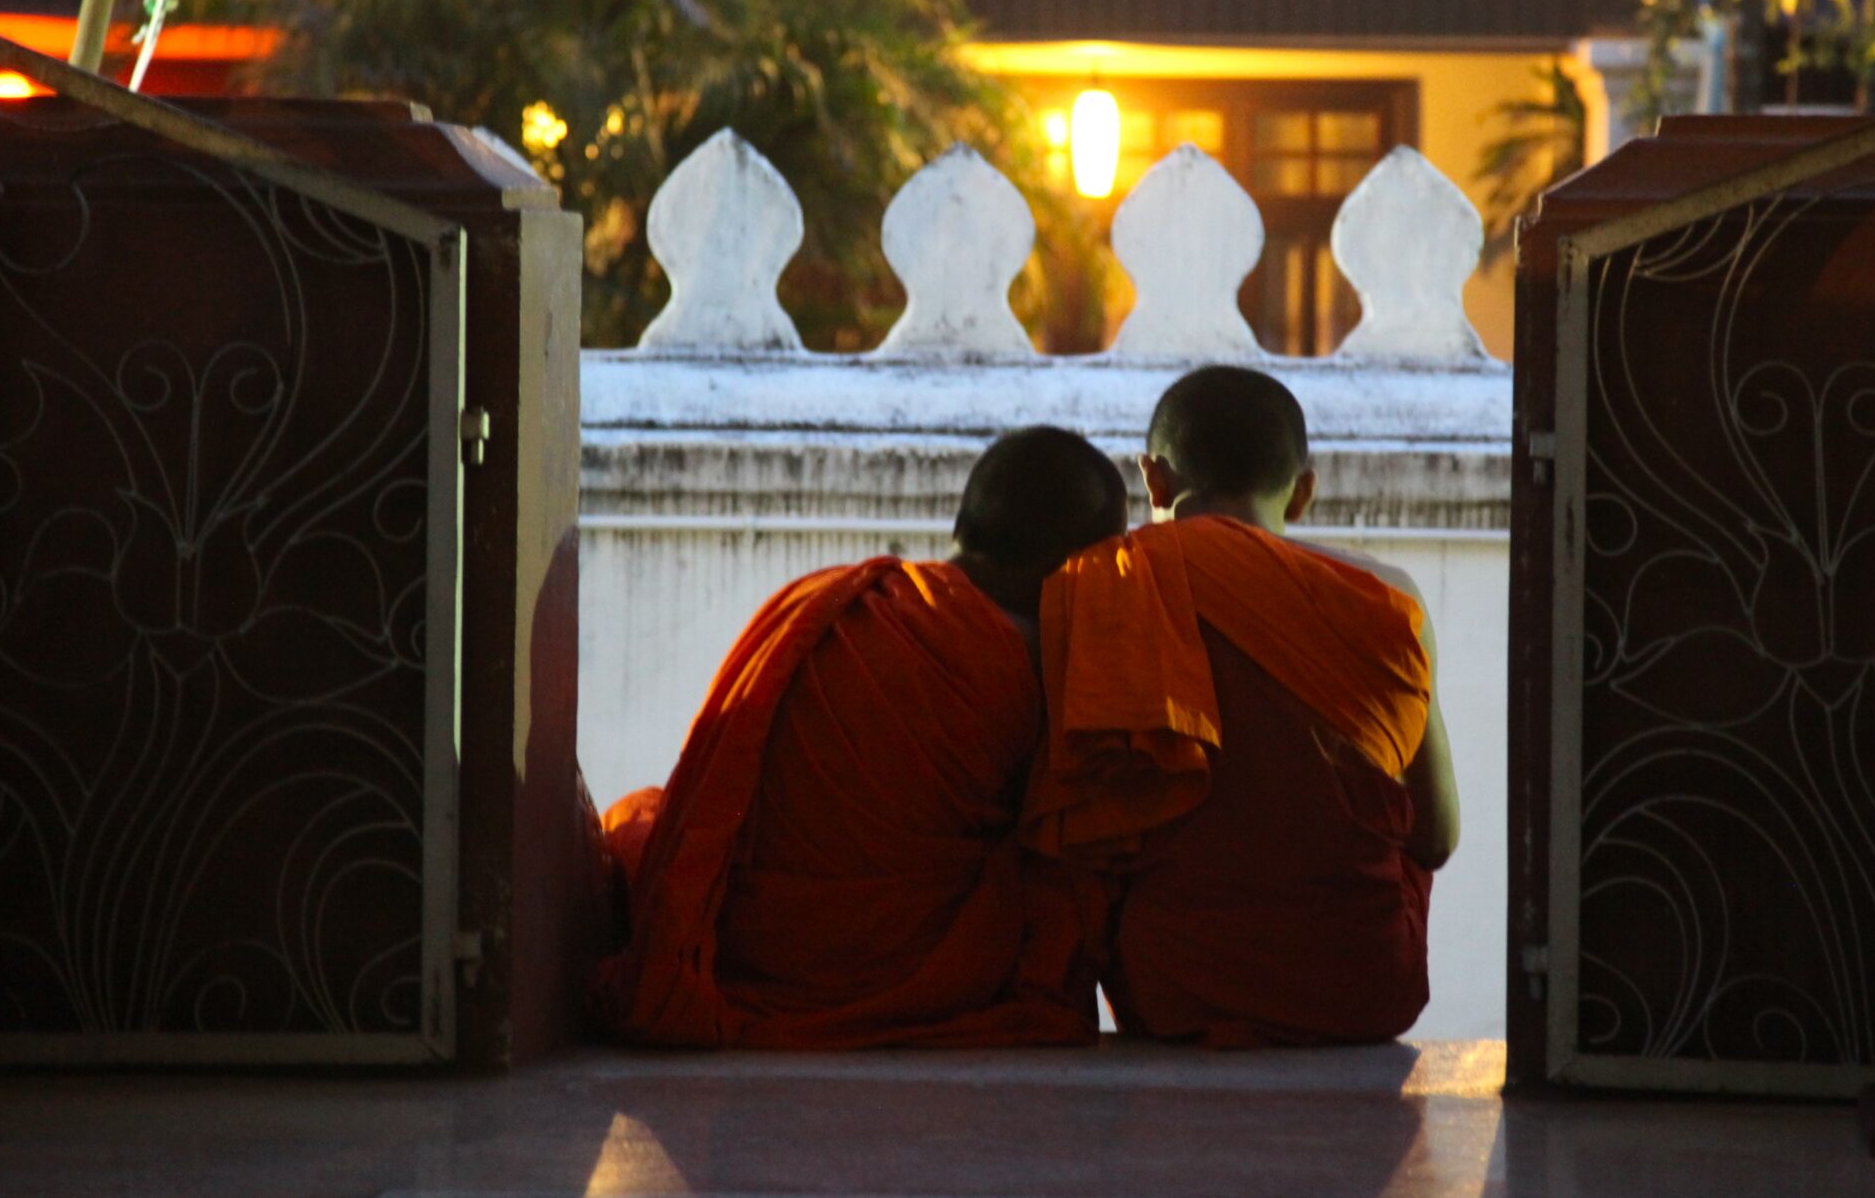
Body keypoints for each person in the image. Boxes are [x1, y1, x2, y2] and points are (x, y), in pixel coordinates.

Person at [594, 426, 1128, 1048]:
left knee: (642, 819)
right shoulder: (1033, 657)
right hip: (882, 969)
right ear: (1080, 563)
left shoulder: (828, 597)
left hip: (733, 940)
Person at [1026, 366, 1459, 1046]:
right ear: (1305, 492)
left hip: (1174, 991)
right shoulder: (1387, 596)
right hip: (1362, 988)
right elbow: (1435, 837)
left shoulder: (1108, 586)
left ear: (1153, 480)